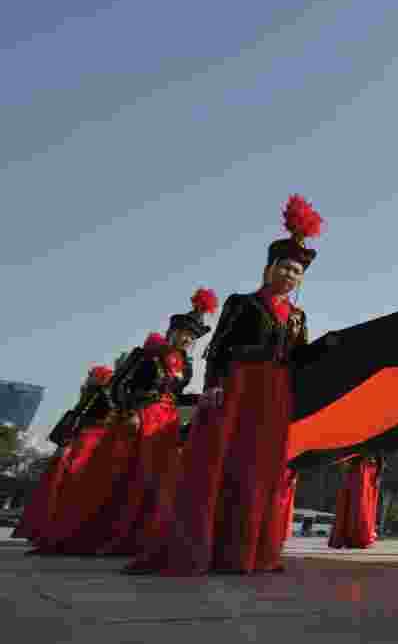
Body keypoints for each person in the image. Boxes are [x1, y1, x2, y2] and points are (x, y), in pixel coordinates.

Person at [124, 196, 323, 575]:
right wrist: (214, 383)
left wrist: (327, 348)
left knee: (259, 468)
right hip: (239, 387)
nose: (289, 275)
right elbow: (217, 347)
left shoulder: (298, 316)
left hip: (274, 394)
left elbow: (299, 358)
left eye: (297, 272)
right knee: (223, 460)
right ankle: (202, 546)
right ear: (269, 269)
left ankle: (247, 551)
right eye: (284, 268)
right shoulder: (243, 303)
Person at [91, 288, 218, 554]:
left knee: (158, 479)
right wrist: (128, 413)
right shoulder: (146, 355)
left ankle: (141, 537)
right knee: (125, 474)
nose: (186, 339)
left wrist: (203, 401)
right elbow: (117, 386)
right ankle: (109, 535)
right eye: (183, 333)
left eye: (192, 336)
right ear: (172, 331)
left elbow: (178, 396)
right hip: (138, 417)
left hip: (167, 422)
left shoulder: (187, 365)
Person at [14, 365, 114, 546]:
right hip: (84, 439)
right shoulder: (97, 393)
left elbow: (84, 417)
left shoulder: (98, 393)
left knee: (62, 482)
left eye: (92, 375)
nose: (89, 377)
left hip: (85, 440)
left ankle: (46, 527)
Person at [329, 454, 383, 549]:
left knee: (361, 505)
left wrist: (378, 471)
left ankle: (356, 536)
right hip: (362, 468)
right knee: (360, 504)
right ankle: (358, 537)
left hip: (366, 468)